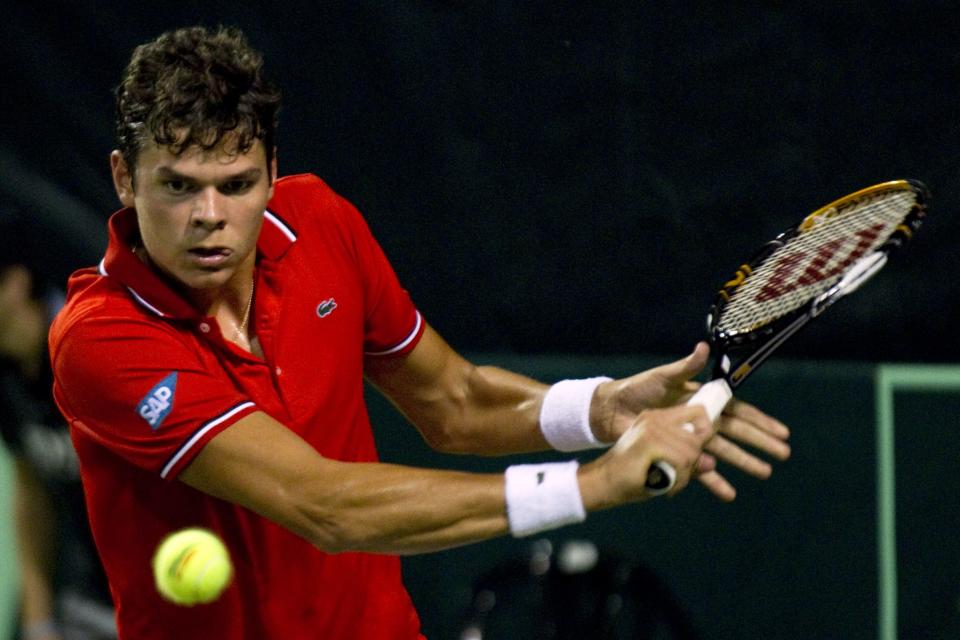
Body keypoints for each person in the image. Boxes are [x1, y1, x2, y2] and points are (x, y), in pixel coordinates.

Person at [48, 26, 791, 639]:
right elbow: (325, 506)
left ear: (272, 172)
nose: (209, 215)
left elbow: (454, 401)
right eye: (178, 185)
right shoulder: (102, 339)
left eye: (235, 183)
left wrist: (599, 411)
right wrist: (592, 484)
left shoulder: (321, 223)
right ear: (124, 177)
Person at [0, 217, 117, 640]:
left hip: (170, 595)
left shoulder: (95, 346)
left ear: (14, 283)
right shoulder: (7, 375)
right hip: (87, 601)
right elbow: (30, 484)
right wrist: (37, 615)